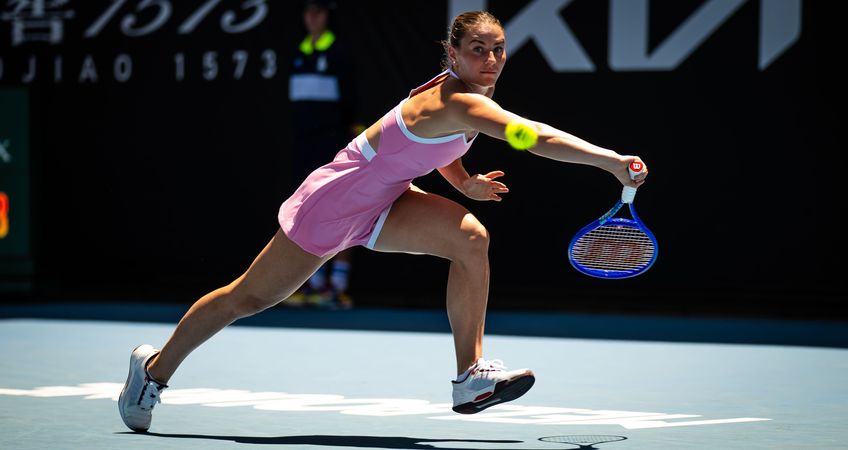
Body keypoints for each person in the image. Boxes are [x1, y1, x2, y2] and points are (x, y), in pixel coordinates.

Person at [118, 11, 649, 432]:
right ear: (453, 53)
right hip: (335, 202)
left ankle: (469, 377)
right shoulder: (463, 103)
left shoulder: (464, 98)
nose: (490, 59)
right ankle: (153, 372)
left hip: (388, 199)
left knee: (470, 239)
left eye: (498, 49)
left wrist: (463, 184)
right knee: (250, 298)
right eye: (477, 50)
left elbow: (437, 146)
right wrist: (609, 161)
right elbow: (534, 136)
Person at [285, 0, 361, 309]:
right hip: (304, 146)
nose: (313, 16)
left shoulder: (340, 54)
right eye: (308, 11)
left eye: (319, 11)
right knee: (306, 212)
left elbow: (354, 100)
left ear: (328, 16)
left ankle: (337, 286)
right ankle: (313, 283)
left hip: (335, 144)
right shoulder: (297, 54)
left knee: (342, 212)